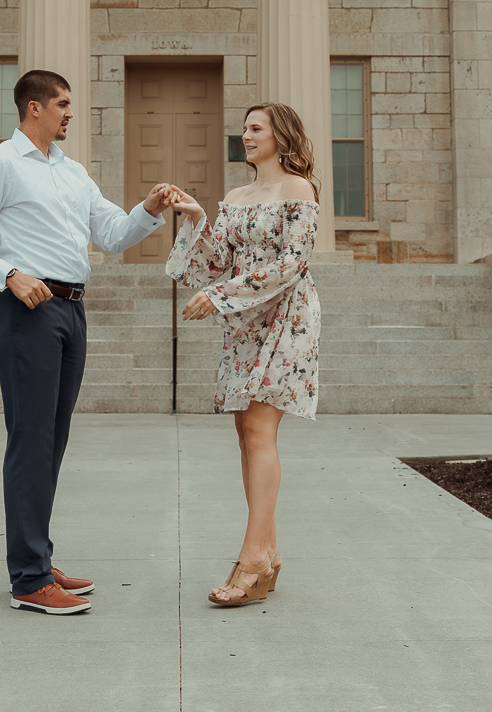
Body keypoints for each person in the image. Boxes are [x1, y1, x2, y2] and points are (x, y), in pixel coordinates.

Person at [0, 69, 183, 615]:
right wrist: (7, 274)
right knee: (30, 442)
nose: (71, 113)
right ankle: (28, 580)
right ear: (34, 108)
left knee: (51, 442)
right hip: (26, 312)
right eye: (64, 104)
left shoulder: (74, 174)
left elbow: (114, 236)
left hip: (72, 312)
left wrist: (148, 208)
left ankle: (39, 560)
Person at [164, 102, 323, 608]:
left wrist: (218, 296)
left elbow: (293, 263)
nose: (246, 136)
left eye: (256, 128)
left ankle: (252, 558)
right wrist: (195, 218)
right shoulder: (236, 195)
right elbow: (214, 262)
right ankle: (269, 552)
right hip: (244, 322)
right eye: (245, 129)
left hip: (286, 317)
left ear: (281, 134)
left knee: (260, 431)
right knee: (245, 432)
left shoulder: (297, 189)